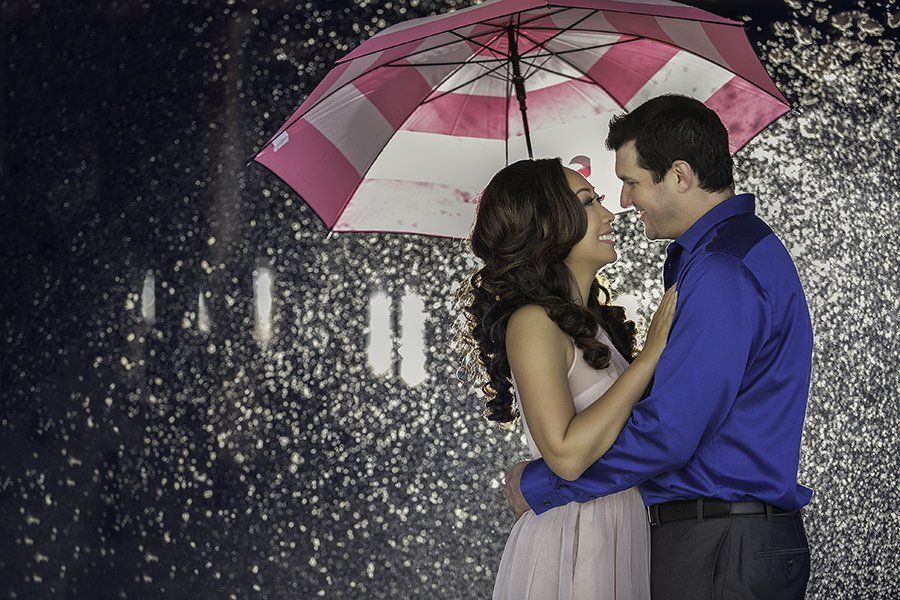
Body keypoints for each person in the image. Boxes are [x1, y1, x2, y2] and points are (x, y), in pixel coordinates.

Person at [502, 94, 814, 599]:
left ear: (680, 175)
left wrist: (540, 488)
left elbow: (670, 430)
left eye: (630, 182)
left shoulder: (721, 270)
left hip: (716, 544)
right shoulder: (721, 259)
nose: (623, 202)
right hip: (713, 539)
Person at [458, 154, 678, 598]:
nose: (609, 211)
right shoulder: (533, 323)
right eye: (587, 202)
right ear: (547, 225)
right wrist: (651, 356)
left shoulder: (591, 324)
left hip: (615, 529)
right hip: (574, 542)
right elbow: (565, 455)